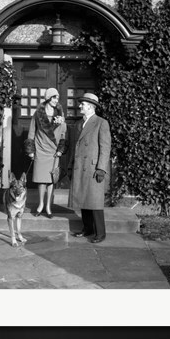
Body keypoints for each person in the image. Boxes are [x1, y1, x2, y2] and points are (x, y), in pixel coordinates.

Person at [68, 93, 111, 243]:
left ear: (91, 107)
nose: (80, 106)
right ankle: (88, 229)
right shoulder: (79, 124)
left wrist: (101, 168)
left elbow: (105, 147)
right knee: (83, 201)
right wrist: (70, 166)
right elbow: (75, 147)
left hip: (93, 169)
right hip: (80, 167)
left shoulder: (101, 123)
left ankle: (101, 233)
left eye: (83, 104)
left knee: (95, 202)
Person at [24, 88, 67, 218]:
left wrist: (60, 150)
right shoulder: (38, 114)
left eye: (57, 98)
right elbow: (31, 132)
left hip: (53, 151)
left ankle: (48, 206)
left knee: (50, 180)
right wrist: (31, 151)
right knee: (41, 180)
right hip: (40, 149)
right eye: (54, 97)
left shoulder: (60, 114)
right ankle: (40, 204)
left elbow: (64, 134)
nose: (56, 100)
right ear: (48, 98)